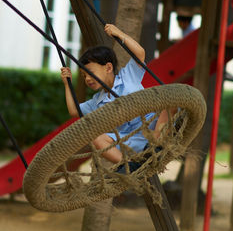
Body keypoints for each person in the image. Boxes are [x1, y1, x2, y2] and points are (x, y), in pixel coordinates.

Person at [61, 24, 165, 167]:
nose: (87, 79)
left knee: (170, 101)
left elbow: (140, 53)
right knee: (97, 140)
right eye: (84, 76)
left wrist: (119, 34)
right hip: (132, 139)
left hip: (153, 125)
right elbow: (74, 110)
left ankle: (158, 140)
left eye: (90, 73)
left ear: (108, 68)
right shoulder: (97, 101)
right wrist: (67, 85)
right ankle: (128, 165)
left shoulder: (127, 76)